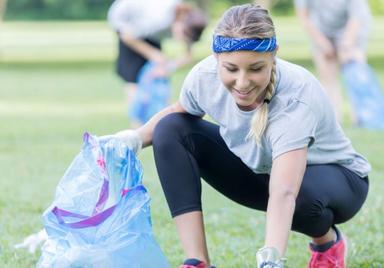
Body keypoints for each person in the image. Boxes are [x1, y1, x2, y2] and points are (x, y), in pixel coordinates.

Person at [110, 4, 370, 267]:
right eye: (231, 69)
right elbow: (176, 113)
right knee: (171, 128)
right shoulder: (204, 76)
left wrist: (271, 257)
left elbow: (284, 192)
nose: (243, 83)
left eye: (256, 68)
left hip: (337, 180)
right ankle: (197, 260)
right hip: (264, 173)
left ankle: (327, 243)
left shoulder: (295, 97)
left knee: (300, 198)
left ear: (274, 55)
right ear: (216, 58)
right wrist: (132, 139)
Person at [107, 0, 207, 127]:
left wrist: (167, 68)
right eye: (184, 35)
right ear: (180, 22)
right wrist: (154, 55)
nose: (183, 40)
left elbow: (188, 56)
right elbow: (127, 36)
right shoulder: (159, 20)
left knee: (159, 78)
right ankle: (137, 129)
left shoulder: (189, 20)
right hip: (125, 20)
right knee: (134, 80)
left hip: (146, 29)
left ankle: (166, 125)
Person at [294, 0, 372, 123]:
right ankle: (334, 119)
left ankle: (362, 117)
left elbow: (356, 17)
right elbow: (304, 17)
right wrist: (322, 43)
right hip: (321, 31)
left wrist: (347, 44)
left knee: (355, 73)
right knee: (328, 77)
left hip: (352, 29)